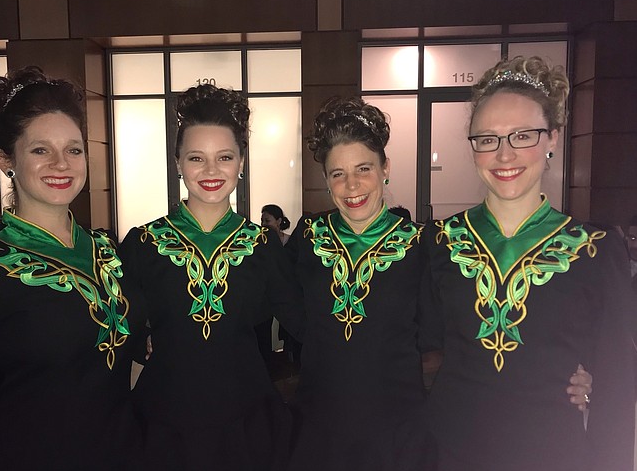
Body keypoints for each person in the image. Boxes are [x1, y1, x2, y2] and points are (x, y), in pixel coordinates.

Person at [423, 56, 635, 470]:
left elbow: (618, 387)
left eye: (523, 135)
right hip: (452, 450)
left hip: (552, 452)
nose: (504, 155)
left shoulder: (593, 249)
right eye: (487, 139)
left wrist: (596, 383)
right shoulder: (440, 242)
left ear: (553, 138)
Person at [0, 66, 146, 470]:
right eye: (40, 150)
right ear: (4, 159)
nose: (61, 164)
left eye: (74, 149)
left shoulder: (107, 251)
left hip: (119, 452)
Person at [119, 83, 304, 470]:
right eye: (196, 158)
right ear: (177, 163)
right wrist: (144, 340)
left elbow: (304, 321)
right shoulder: (143, 243)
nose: (211, 171)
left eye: (224, 157)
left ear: (241, 161)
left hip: (245, 418)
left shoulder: (262, 246)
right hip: (164, 418)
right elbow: (118, 331)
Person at [285, 96, 438, 470]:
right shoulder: (309, 237)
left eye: (364, 168)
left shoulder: (421, 244)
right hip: (320, 423)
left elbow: (455, 328)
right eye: (338, 173)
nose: (351, 185)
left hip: (396, 427)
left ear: (386, 168)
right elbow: (268, 298)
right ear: (326, 180)